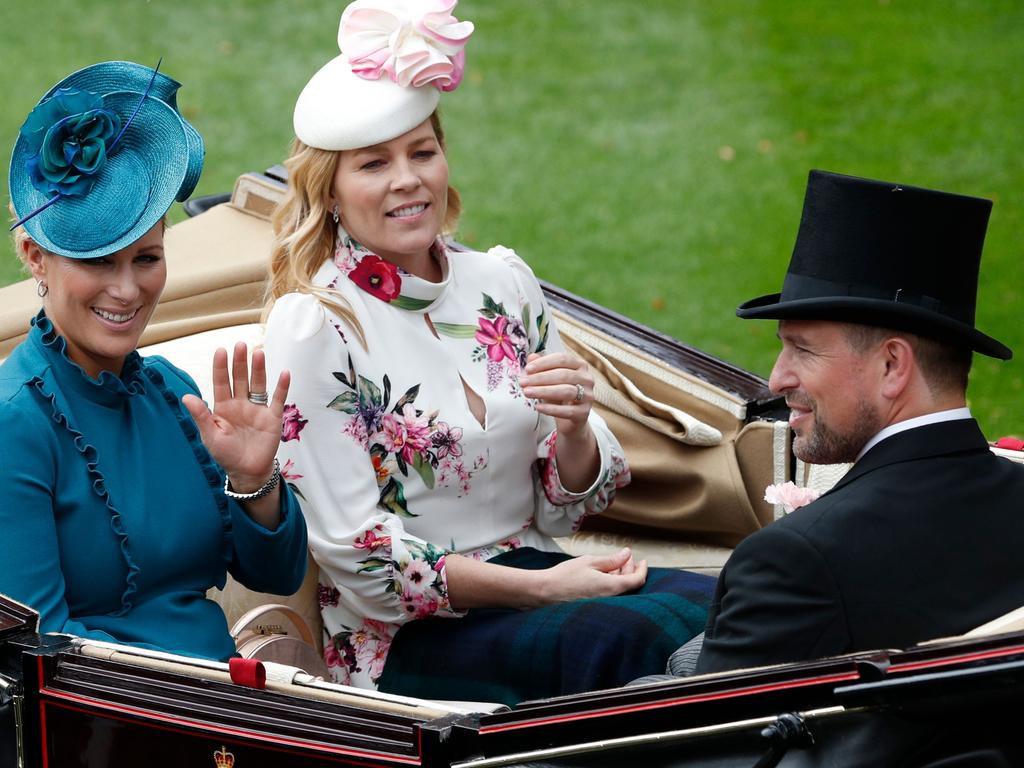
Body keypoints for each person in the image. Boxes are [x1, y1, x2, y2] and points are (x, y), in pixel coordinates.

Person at [263, 0, 714, 703]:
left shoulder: (501, 281)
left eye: (422, 151)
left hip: (536, 568)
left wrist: (573, 430)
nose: (407, 179)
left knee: (727, 602)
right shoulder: (315, 325)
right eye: (373, 164)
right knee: (623, 641)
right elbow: (363, 560)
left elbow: (564, 504)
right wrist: (539, 589)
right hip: (401, 639)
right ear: (329, 193)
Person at [0, 61, 308, 661]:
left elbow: (279, 574)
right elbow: (38, 650)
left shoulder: (174, 392)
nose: (127, 289)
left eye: (146, 258)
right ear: (36, 258)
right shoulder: (16, 424)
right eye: (97, 261)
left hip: (223, 705)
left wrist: (253, 481)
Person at [693, 169, 1024, 675]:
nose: (777, 379)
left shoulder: (793, 562)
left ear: (892, 366)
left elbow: (704, 741)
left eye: (802, 349)